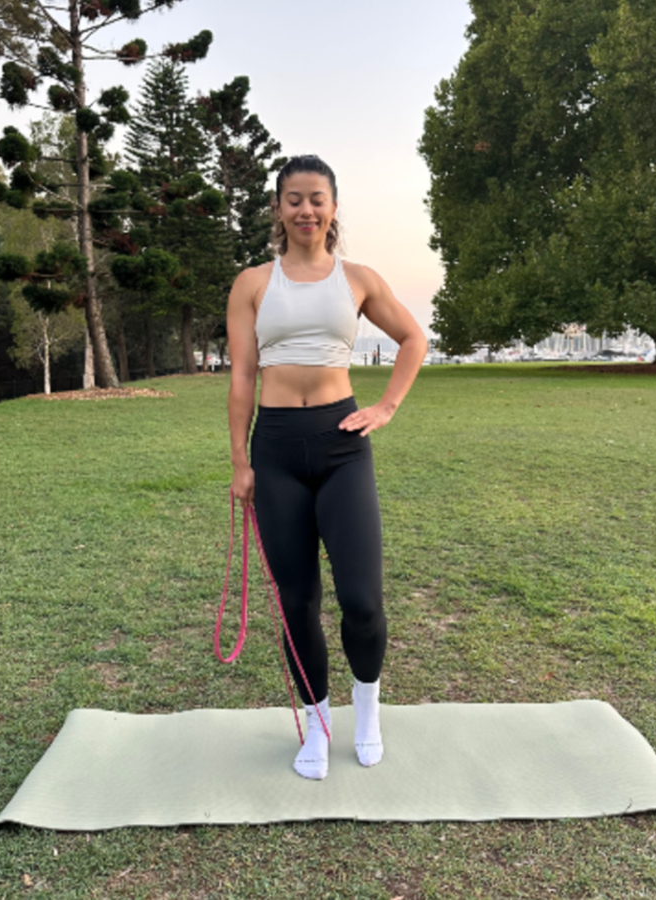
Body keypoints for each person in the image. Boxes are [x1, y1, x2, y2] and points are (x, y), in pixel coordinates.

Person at [226, 155, 428, 780]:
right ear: (278, 209)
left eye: (316, 198)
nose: (305, 209)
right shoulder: (253, 283)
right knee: (297, 601)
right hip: (278, 447)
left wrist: (386, 406)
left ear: (333, 207)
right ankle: (316, 722)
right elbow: (239, 376)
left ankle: (366, 712)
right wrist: (240, 461)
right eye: (293, 199)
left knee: (362, 601)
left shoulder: (358, 279)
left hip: (343, 445)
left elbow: (413, 339)